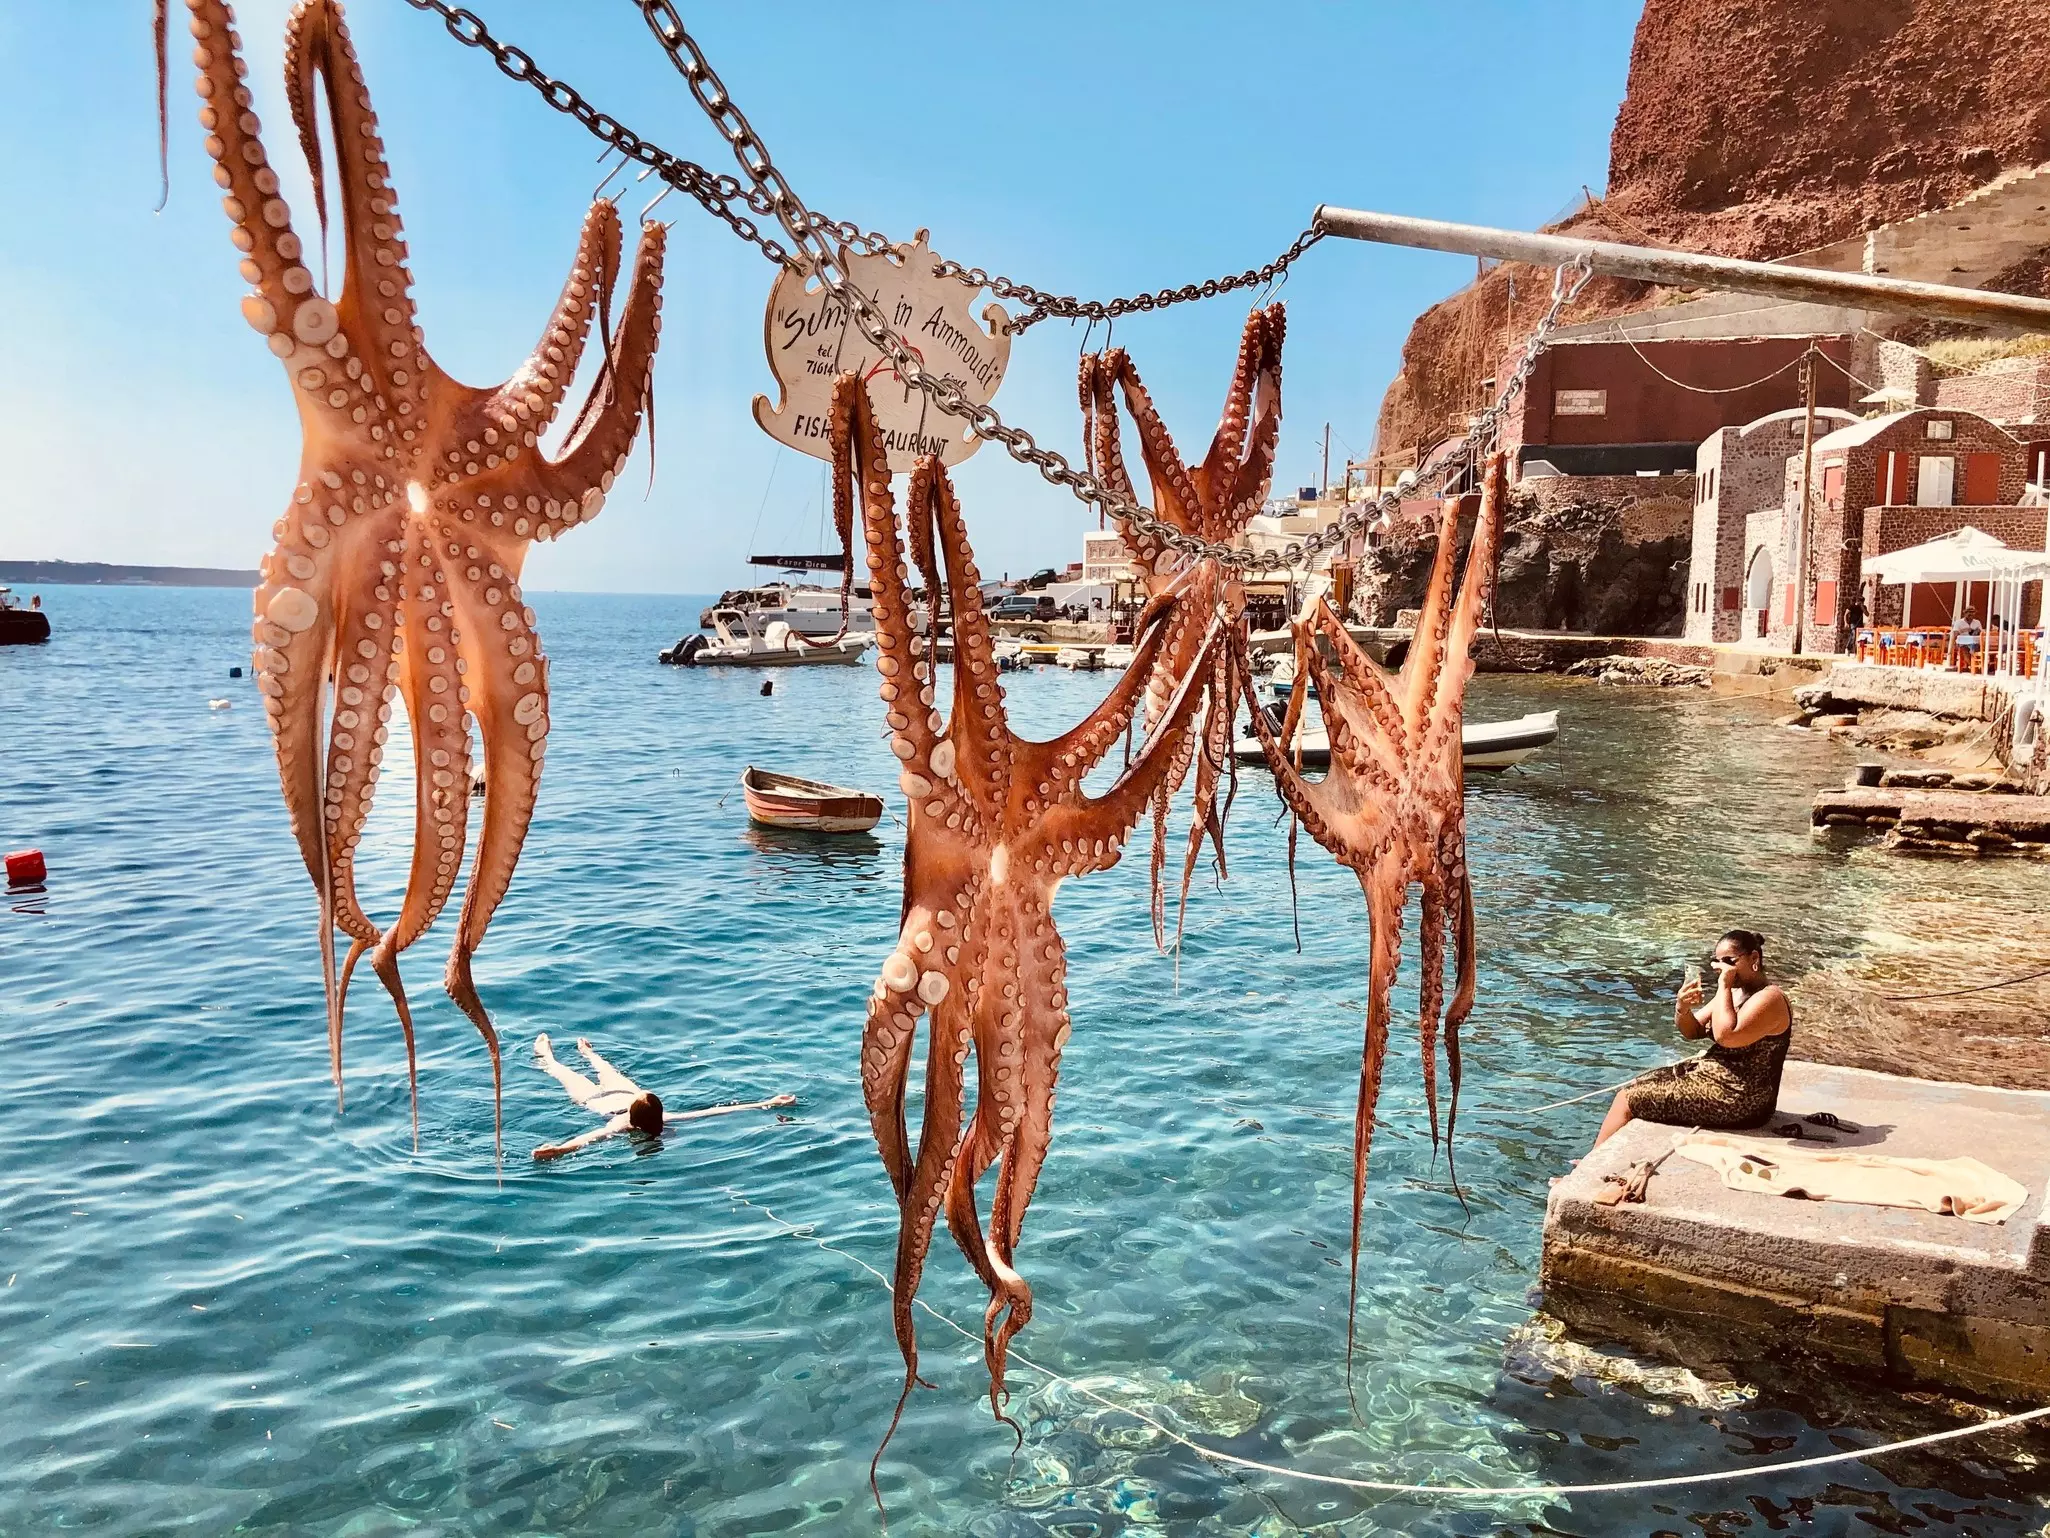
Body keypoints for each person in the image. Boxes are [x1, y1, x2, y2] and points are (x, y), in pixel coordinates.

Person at [1591, 929, 1792, 1149]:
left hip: (1743, 1099)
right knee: (1640, 1082)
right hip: (1717, 1081)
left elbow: (1726, 1036)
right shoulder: (1735, 993)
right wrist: (1683, 1007)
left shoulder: (1769, 998)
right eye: (1718, 962)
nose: (1722, 968)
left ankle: (1589, 1165)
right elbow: (1692, 1032)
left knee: (1627, 1098)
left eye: (1729, 961)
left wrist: (1724, 985)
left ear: (1754, 958)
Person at [531, 1033, 794, 1160]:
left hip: (595, 1101)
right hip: (624, 1093)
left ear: (633, 1116)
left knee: (560, 1070)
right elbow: (713, 1112)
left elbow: (590, 1138)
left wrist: (560, 1149)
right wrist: (766, 1103)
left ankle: (547, 1055)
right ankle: (588, 1053)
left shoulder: (620, 1124)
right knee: (606, 1069)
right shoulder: (664, 1117)